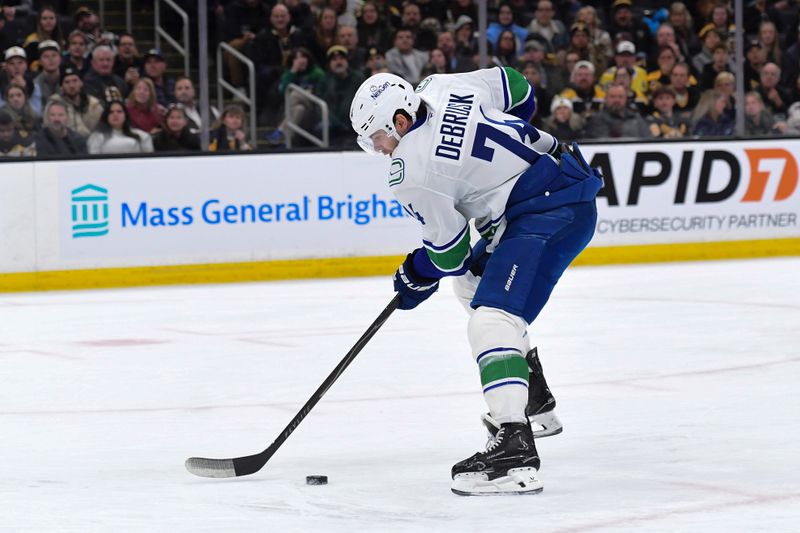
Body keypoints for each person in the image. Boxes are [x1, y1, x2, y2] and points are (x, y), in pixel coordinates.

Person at [349, 67, 602, 495]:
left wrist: (415, 274)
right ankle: (533, 397)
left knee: (491, 321)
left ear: (400, 121)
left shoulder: (411, 171)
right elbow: (518, 87)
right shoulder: (438, 85)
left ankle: (514, 448)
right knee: (470, 282)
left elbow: (447, 253)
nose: (380, 150)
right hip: (559, 176)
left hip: (548, 212)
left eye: (378, 139)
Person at [48, 67, 104, 137]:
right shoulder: (54, 104)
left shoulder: (94, 105)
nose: (71, 85)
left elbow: (103, 129)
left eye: (75, 81)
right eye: (67, 82)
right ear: (61, 87)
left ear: (81, 83)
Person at [585, 83, 650, 139]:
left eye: (620, 97)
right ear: (606, 99)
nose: (617, 100)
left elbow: (649, 140)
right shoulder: (597, 120)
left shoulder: (636, 119)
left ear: (626, 99)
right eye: (613, 96)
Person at [87, 100, 154, 154]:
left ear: (125, 115)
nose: (115, 114)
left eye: (119, 112)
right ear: (106, 116)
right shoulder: (97, 137)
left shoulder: (142, 136)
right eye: (111, 112)